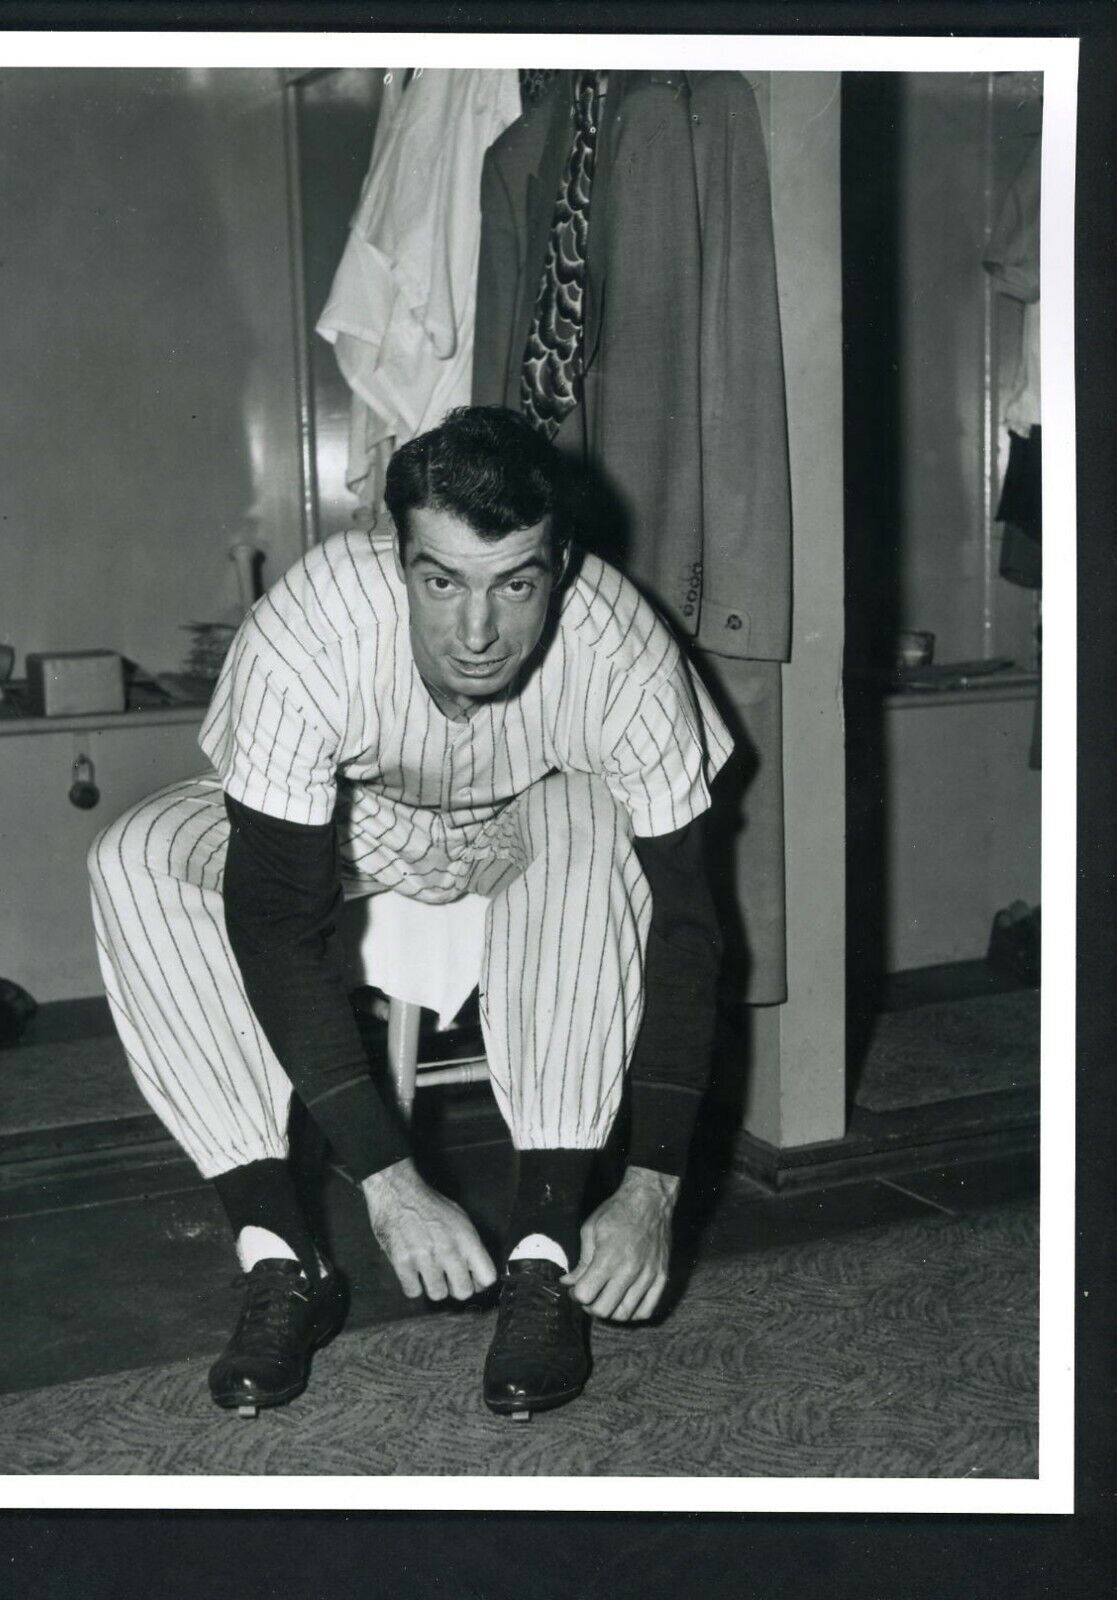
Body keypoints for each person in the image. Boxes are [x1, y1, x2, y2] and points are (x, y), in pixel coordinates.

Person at [88, 405, 730, 1420]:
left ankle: (544, 1253)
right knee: (137, 854)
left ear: (561, 563)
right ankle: (280, 1255)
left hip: (528, 817)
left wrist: (652, 1187)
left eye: (515, 583)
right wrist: (386, 1180)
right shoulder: (309, 630)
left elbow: (690, 925)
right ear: (395, 555)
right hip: (354, 823)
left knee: (588, 811)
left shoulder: (623, 650)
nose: (477, 632)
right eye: (443, 581)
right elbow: (275, 922)